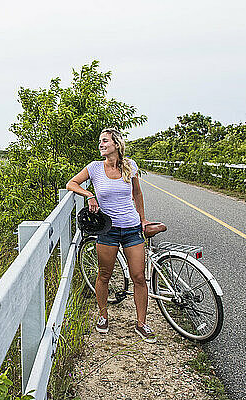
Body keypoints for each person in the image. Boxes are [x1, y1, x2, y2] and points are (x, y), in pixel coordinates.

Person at [66, 128, 156, 343]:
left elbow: (137, 193)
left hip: (132, 228)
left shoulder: (130, 165)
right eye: (100, 141)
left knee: (139, 276)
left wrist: (142, 220)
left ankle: (141, 323)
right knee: (104, 275)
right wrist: (89, 195)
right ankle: (103, 315)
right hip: (108, 231)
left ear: (116, 144)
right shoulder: (95, 168)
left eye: (105, 141)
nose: (101, 144)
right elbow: (71, 183)